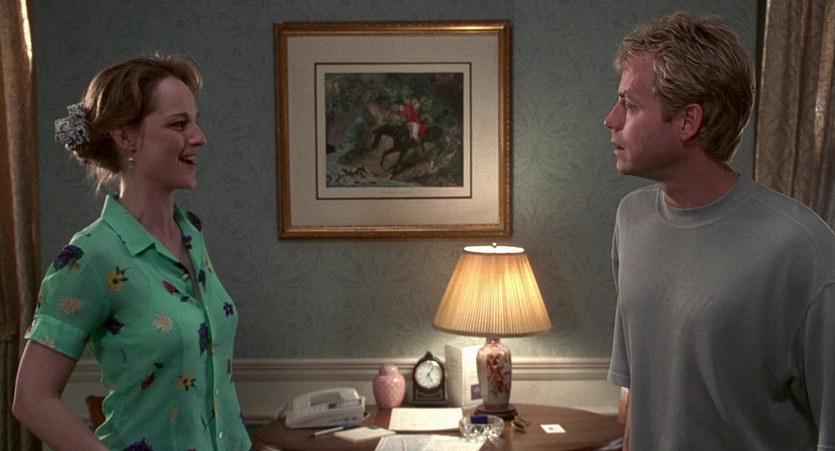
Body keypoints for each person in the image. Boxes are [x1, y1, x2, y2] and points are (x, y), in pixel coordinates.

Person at [603, 12, 835, 450]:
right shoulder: (631, 219)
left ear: (688, 121)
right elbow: (642, 393)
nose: (611, 119)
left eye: (630, 105)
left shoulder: (801, 247)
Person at [13, 55, 251, 450]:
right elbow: (31, 400)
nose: (199, 137)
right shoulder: (92, 255)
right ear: (126, 136)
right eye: (179, 124)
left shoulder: (191, 234)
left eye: (195, 121)